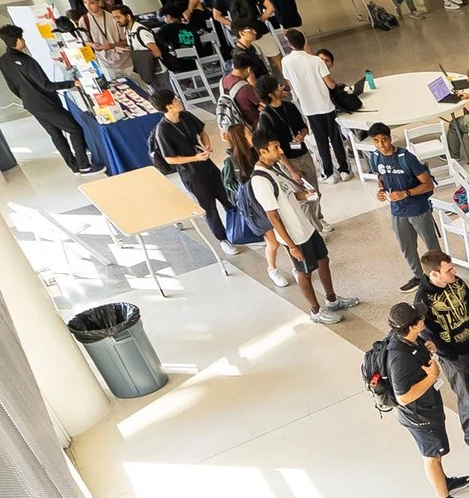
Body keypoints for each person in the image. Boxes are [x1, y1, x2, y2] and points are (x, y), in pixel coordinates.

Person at [381, 301, 469, 498]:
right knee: (431, 457)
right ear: (413, 326)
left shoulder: (405, 339)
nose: (424, 318)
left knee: (435, 453)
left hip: (426, 409)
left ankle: (444, 482)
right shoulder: (399, 359)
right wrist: (432, 377)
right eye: (420, 318)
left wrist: (425, 349)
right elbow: (403, 397)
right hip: (419, 415)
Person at [251, 135, 357, 322]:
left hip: (305, 227)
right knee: (304, 272)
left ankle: (332, 300)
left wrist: (305, 195)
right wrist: (291, 246)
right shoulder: (260, 180)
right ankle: (316, 311)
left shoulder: (273, 169)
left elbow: (288, 196)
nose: (281, 151)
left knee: (323, 260)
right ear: (263, 152)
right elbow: (273, 216)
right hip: (294, 235)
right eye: (276, 147)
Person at [413, 252, 469, 459]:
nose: (454, 272)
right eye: (448, 270)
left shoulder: (458, 283)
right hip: (456, 357)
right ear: (434, 274)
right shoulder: (422, 300)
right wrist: (451, 354)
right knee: (468, 398)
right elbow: (429, 333)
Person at [0, 25, 96, 174]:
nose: (24, 41)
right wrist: (72, 83)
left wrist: (27, 97)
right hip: (46, 103)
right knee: (74, 129)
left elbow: (12, 86)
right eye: (22, 38)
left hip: (31, 104)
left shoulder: (2, 61)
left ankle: (73, 166)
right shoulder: (28, 61)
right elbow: (46, 85)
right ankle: (84, 165)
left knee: (55, 134)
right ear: (18, 40)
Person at [149, 88, 232, 251]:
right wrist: (195, 158)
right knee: (209, 208)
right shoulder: (163, 130)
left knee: (227, 196)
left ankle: (240, 228)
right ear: (169, 106)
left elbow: (202, 131)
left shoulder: (186, 116)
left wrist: (206, 143)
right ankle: (223, 239)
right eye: (175, 99)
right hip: (192, 174)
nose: (179, 100)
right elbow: (170, 158)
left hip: (207, 165)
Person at [357, 123, 435, 290]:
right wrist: (380, 189)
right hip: (397, 211)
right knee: (406, 247)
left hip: (418, 209)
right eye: (376, 141)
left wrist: (406, 193)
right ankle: (419, 277)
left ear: (390, 138)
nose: (381, 145)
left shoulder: (407, 158)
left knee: (432, 246)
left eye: (384, 140)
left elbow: (428, 185)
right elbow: (380, 176)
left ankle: (439, 275)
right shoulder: (375, 157)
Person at [277, 29, 347, 181]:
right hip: (326, 104)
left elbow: (291, 83)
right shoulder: (316, 61)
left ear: (289, 44)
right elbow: (330, 84)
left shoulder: (286, 62)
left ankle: (328, 173)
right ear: (305, 42)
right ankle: (345, 170)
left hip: (308, 107)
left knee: (321, 141)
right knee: (335, 138)